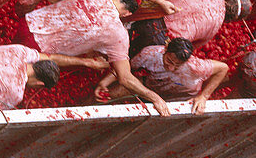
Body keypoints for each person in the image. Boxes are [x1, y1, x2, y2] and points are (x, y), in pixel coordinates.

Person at [18, 0, 171, 116]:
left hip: (26, 25)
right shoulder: (118, 35)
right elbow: (125, 78)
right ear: (127, 13)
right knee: (20, 77)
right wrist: (154, 97)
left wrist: (61, 9)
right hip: (40, 53)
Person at [98, 38, 229, 114]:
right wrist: (105, 81)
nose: (171, 68)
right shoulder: (150, 54)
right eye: (169, 61)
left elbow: (223, 68)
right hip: (151, 86)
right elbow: (126, 70)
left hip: (179, 98)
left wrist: (203, 96)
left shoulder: (196, 67)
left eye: (177, 65)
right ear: (165, 49)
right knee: (109, 93)